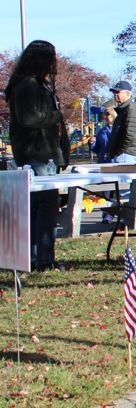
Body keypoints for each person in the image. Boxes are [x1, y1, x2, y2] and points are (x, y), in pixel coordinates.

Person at [4, 40, 74, 272]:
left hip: (46, 154)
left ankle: (35, 259)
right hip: (36, 154)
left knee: (40, 207)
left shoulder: (39, 84)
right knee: (45, 207)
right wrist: (59, 115)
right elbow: (29, 118)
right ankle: (43, 260)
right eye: (52, 57)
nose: (55, 62)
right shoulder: (26, 84)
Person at [106, 80, 136, 164]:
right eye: (114, 92)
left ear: (127, 93)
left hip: (127, 155)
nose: (115, 94)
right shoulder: (124, 109)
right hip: (125, 154)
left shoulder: (131, 109)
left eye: (118, 92)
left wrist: (120, 151)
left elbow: (130, 135)